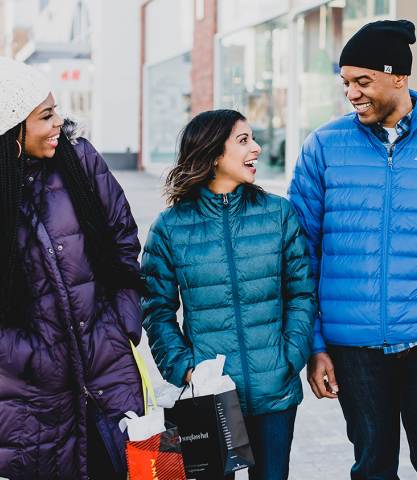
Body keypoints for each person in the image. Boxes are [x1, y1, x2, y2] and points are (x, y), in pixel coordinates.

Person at [289, 20, 417, 480]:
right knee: (372, 466)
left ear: (399, 78)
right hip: (353, 349)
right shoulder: (323, 148)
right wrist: (315, 346)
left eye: (362, 81)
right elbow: (300, 258)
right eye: (345, 83)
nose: (351, 93)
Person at [141, 109, 315, 480]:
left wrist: (290, 356)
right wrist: (185, 368)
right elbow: (156, 309)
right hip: (209, 396)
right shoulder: (170, 228)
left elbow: (301, 293)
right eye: (244, 140)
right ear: (213, 153)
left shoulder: (278, 214)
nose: (256, 147)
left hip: (274, 392)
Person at [0, 57, 144, 479]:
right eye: (45, 115)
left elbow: (122, 240)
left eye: (56, 109)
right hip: (30, 395)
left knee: (138, 468)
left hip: (108, 367)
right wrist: (19, 357)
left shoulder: (80, 160)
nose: (59, 122)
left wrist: (123, 322)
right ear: (11, 132)